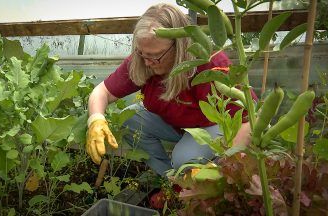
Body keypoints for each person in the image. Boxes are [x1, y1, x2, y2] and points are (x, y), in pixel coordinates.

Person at [86, 3, 254, 177]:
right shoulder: (142, 60)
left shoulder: (209, 64)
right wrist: (95, 120)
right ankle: (171, 180)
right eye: (142, 53)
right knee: (130, 121)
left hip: (212, 127)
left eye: (155, 55)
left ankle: (194, 182)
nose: (147, 62)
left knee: (185, 159)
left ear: (179, 46)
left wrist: (225, 166)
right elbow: (101, 92)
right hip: (177, 126)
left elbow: (249, 121)